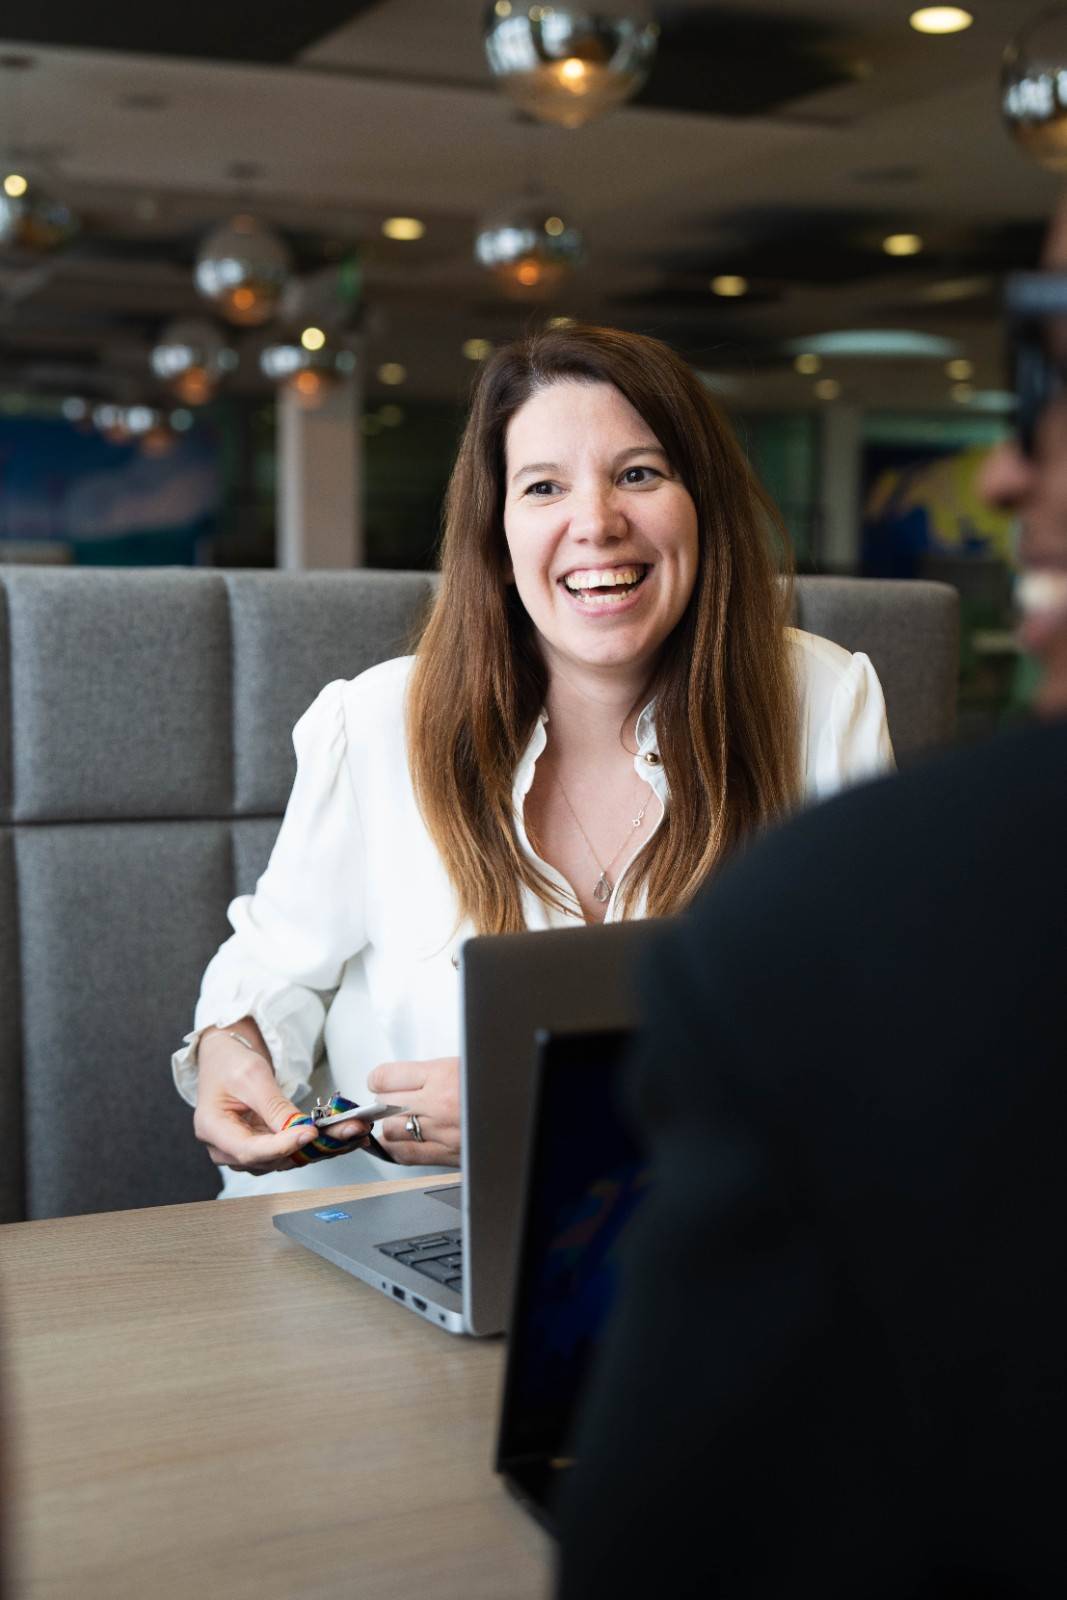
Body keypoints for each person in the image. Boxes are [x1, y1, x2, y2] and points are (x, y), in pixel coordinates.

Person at [555, 270, 1067, 1593]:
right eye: (539, 486)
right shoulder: (374, 721)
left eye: (1042, 378)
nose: (1003, 476)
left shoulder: (832, 907)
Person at [172, 324, 892, 1197]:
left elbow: (870, 1031)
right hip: (409, 1238)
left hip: (706, 1237)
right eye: (544, 486)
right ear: (498, 538)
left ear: (702, 504)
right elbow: (277, 965)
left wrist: (548, 1108)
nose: (595, 522)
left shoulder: (824, 704)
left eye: (638, 473)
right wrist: (229, 1047)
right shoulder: (375, 722)